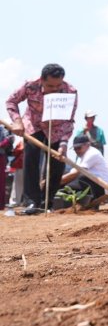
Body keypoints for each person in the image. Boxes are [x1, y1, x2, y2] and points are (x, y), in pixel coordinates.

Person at [6, 63, 78, 215]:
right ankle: (32, 202)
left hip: (57, 130)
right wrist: (17, 121)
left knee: (57, 164)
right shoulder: (30, 85)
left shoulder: (70, 91)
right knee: (31, 160)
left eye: (58, 85)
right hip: (34, 126)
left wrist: (64, 143)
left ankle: (48, 203)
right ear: (42, 80)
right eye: (50, 86)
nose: (55, 89)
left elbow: (69, 120)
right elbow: (11, 101)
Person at [58, 135, 108, 207]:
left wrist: (55, 182)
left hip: (102, 186)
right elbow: (72, 172)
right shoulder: (81, 157)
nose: (77, 151)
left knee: (75, 181)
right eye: (75, 149)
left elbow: (75, 174)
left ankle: (88, 201)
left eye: (78, 148)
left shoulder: (92, 153)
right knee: (68, 181)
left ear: (88, 145)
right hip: (92, 183)